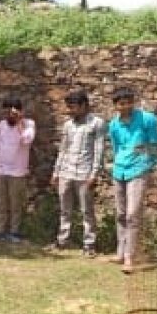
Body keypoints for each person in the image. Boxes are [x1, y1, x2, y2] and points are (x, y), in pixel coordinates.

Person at [108, 87, 157, 274]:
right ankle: (121, 252)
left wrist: (151, 164)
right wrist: (117, 164)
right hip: (119, 170)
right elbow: (116, 148)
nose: (126, 106)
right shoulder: (114, 124)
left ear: (134, 102)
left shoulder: (147, 119)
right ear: (115, 105)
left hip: (139, 169)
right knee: (121, 213)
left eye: (129, 102)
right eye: (121, 104)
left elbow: (155, 145)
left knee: (133, 214)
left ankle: (131, 256)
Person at [49, 90, 106, 256]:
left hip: (84, 173)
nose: (70, 111)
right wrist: (56, 172)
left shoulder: (96, 123)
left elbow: (99, 150)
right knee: (64, 209)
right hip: (67, 171)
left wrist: (94, 174)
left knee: (86, 210)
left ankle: (89, 245)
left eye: (73, 107)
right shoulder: (68, 125)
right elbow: (63, 149)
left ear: (84, 106)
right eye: (68, 107)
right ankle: (62, 241)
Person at [0, 97, 35, 243]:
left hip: (18, 172)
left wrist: (19, 122)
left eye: (12, 112)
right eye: (7, 112)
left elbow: (26, 140)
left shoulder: (29, 124)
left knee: (16, 204)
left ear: (20, 112)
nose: (9, 115)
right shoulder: (1, 125)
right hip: (1, 170)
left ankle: (14, 232)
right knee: (0, 203)